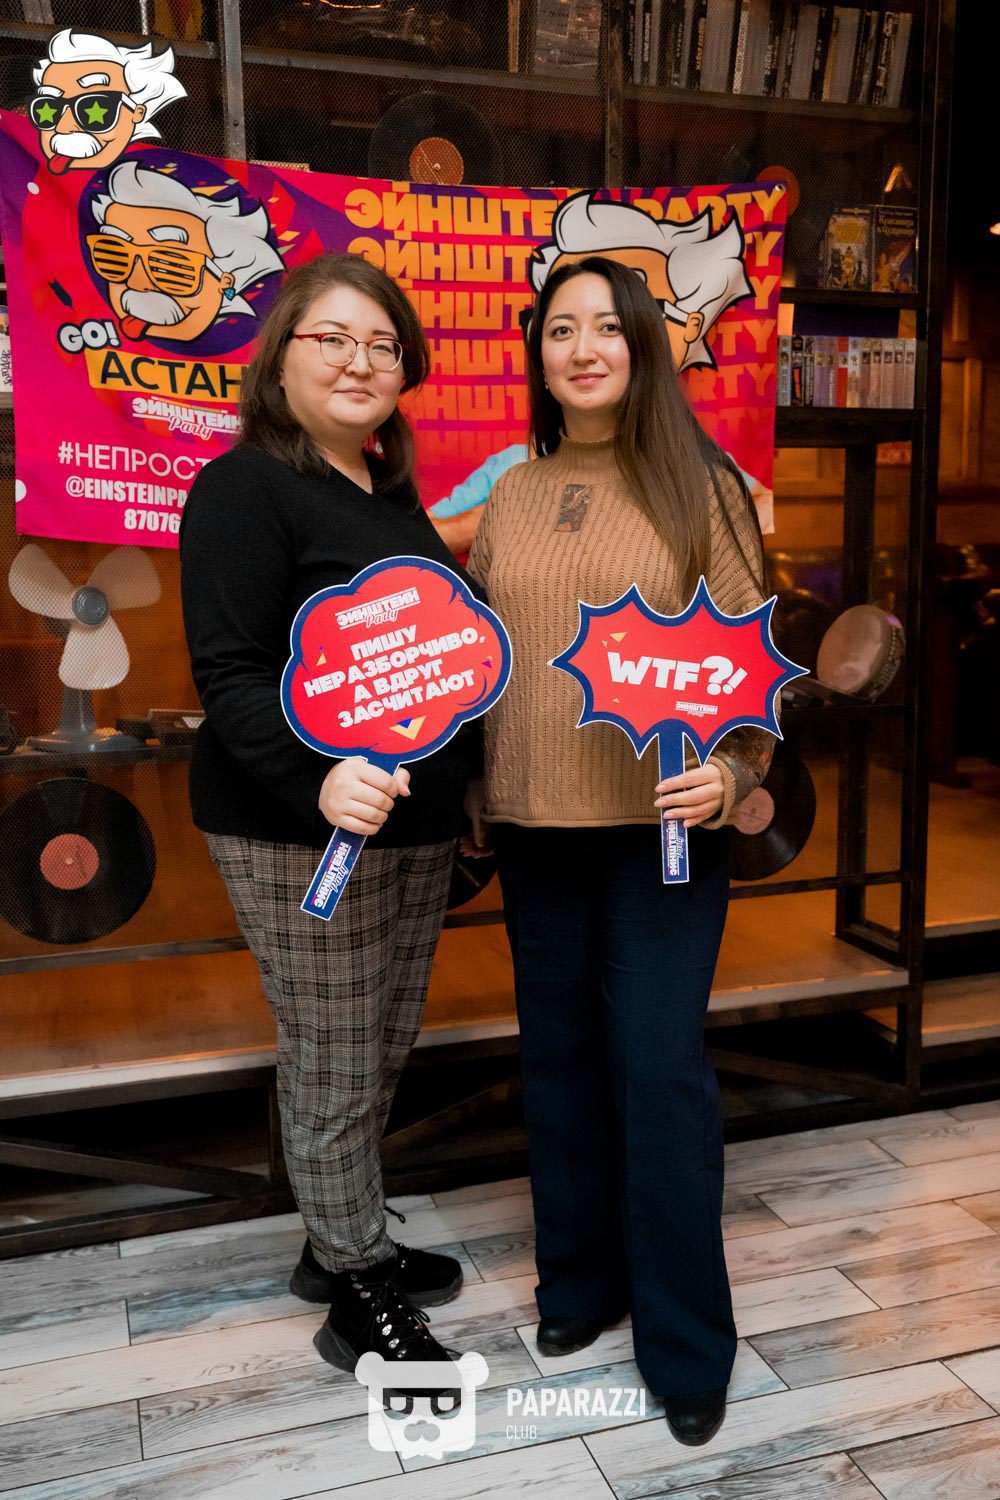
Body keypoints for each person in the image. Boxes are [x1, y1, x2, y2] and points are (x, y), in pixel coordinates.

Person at [466, 255, 775, 1446]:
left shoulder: (702, 485)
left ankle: (687, 1343)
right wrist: (471, 784)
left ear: (646, 346)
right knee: (558, 1064)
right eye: (560, 329)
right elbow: (481, 656)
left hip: (662, 838)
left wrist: (735, 772)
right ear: (538, 355)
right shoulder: (513, 491)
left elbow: (752, 664)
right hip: (532, 827)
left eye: (606, 326)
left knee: (655, 1070)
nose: (582, 347)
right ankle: (579, 1283)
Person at [180, 253, 478, 1382]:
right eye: (333, 339)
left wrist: (467, 787)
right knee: (336, 1058)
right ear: (280, 362)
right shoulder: (243, 488)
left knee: (378, 1044)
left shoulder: (385, 493)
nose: (361, 362)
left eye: (383, 344)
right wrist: (316, 778)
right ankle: (358, 1295)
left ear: (406, 369)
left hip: (411, 829)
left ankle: (335, 1243)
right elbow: (230, 674)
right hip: (300, 830)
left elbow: (429, 663)